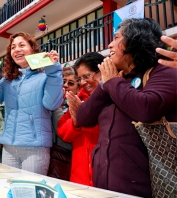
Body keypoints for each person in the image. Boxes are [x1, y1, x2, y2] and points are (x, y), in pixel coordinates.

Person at [76, 18, 177, 197]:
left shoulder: (163, 71)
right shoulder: (113, 79)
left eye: (116, 38)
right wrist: (104, 84)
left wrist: (113, 81)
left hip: (144, 184)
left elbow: (146, 109)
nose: (110, 45)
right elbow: (83, 118)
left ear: (135, 41)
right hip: (103, 180)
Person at [0, 32, 63, 175]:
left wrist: (54, 71)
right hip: (9, 147)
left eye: (22, 45)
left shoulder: (45, 76)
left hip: (35, 148)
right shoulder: (7, 79)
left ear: (33, 49)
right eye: (13, 47)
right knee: (10, 190)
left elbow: (51, 104)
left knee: (30, 191)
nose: (17, 49)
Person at [57, 52, 104, 186]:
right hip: (79, 175)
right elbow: (62, 132)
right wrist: (75, 123)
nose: (83, 82)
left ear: (101, 71)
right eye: (80, 78)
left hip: (104, 174)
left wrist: (83, 118)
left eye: (86, 76)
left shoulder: (114, 96)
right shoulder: (78, 99)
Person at [47, 64, 80, 181]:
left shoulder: (77, 105)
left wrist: (57, 105)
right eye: (64, 81)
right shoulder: (57, 102)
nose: (66, 85)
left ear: (78, 88)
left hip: (67, 157)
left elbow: (62, 133)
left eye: (71, 83)